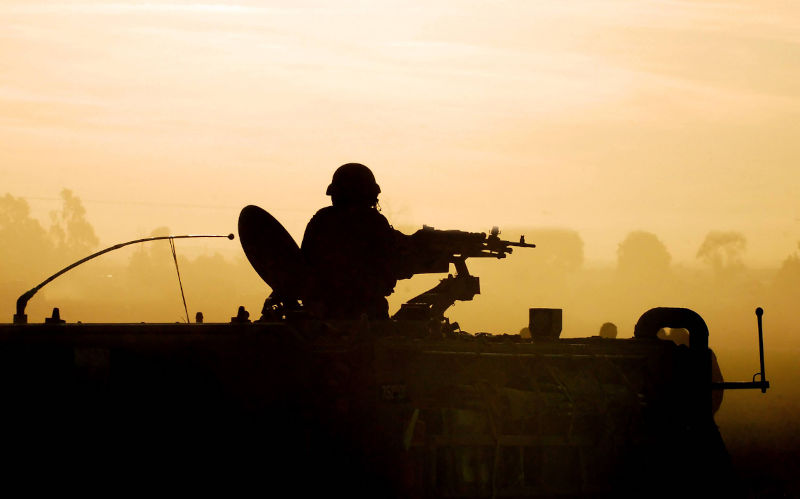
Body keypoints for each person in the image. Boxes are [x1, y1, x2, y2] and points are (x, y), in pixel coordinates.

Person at [301, 163, 412, 319]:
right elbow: (389, 266)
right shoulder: (374, 223)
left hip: (320, 313)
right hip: (366, 314)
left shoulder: (321, 220)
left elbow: (304, 262)